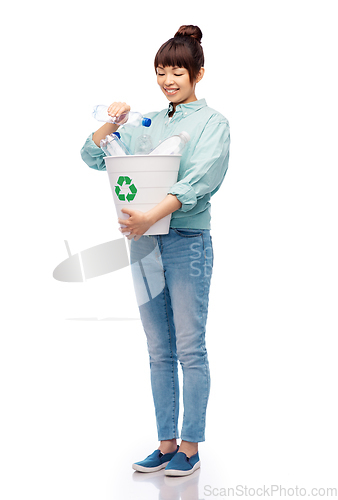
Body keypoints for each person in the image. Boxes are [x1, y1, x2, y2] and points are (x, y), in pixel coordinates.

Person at [80, 24, 230, 477]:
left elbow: (199, 182)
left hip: (185, 241)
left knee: (190, 348)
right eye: (161, 71)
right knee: (157, 348)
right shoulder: (148, 122)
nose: (168, 80)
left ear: (198, 74)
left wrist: (149, 216)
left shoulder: (213, 123)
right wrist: (114, 120)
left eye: (177, 71)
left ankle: (190, 446)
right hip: (144, 245)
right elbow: (93, 156)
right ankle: (165, 443)